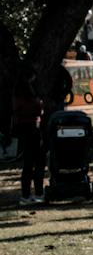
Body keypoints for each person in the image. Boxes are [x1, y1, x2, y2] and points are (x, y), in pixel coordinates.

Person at [12, 72, 45, 206]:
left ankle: (26, 193)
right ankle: (38, 192)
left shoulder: (17, 97)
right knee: (38, 163)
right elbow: (39, 109)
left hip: (23, 130)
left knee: (28, 163)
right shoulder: (32, 98)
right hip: (33, 129)